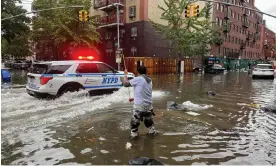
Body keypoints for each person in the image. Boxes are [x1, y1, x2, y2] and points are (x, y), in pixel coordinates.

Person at [123, 66, 156, 137]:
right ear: (146, 71)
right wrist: (134, 98)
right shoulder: (149, 80)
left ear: (138, 72)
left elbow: (125, 84)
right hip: (149, 107)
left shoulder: (138, 79)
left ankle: (134, 141)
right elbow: (145, 93)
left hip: (139, 107)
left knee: (134, 126)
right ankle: (151, 137)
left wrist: (125, 74)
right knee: (150, 126)